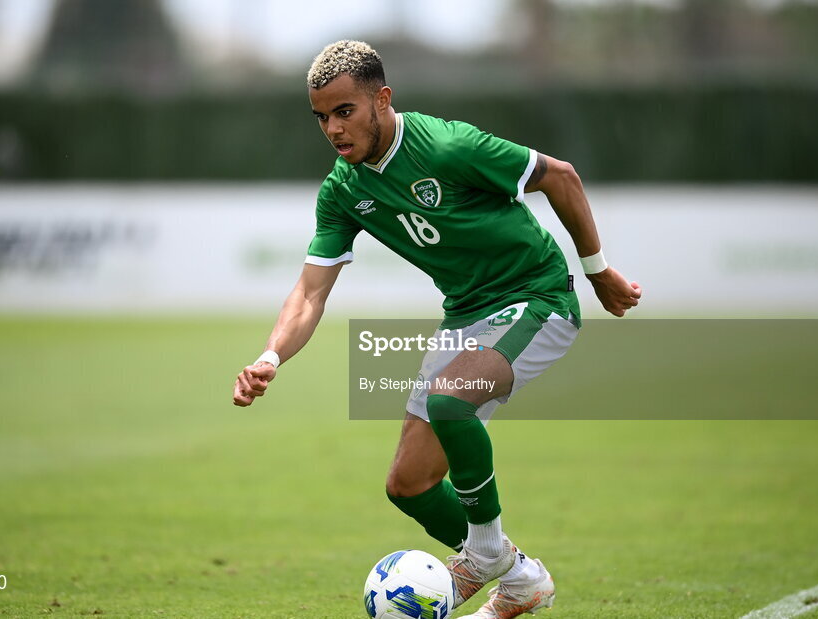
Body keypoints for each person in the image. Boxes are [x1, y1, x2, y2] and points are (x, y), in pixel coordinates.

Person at [233, 40, 641, 619]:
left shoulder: (446, 146)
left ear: (382, 99)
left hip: (536, 297)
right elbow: (309, 291)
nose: (332, 129)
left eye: (344, 111)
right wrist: (271, 356)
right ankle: (520, 578)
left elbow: (562, 178)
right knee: (410, 484)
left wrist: (597, 273)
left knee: (452, 401)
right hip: (467, 314)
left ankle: (482, 555)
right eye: (321, 117)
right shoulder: (344, 190)